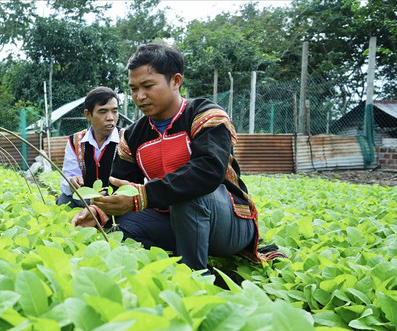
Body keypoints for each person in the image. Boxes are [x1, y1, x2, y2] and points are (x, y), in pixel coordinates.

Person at [74, 43, 283, 272]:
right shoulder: (133, 136)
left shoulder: (206, 115)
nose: (139, 96)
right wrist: (100, 210)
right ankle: (180, 255)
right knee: (123, 225)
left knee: (188, 194)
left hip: (230, 224)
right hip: (174, 222)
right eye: (134, 89)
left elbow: (207, 172)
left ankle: (194, 275)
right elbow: (120, 186)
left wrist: (144, 195)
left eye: (148, 86)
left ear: (175, 81)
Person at [57, 86, 121, 208]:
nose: (110, 118)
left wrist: (110, 194)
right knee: (64, 200)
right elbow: (68, 177)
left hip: (115, 201)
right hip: (85, 200)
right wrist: (72, 183)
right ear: (88, 114)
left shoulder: (126, 139)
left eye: (114, 111)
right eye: (102, 112)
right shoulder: (75, 141)